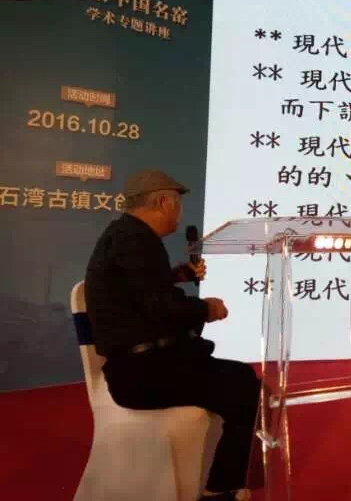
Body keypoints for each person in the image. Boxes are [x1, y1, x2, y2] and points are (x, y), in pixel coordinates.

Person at [84, 169, 262, 501]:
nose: (179, 214)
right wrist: (207, 308)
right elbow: (162, 310)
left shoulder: (124, 235)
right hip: (144, 375)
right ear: (165, 202)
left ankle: (226, 481)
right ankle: (222, 488)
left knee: (239, 378)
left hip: (141, 367)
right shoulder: (137, 240)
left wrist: (176, 275)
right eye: (178, 205)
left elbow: (140, 292)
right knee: (245, 386)